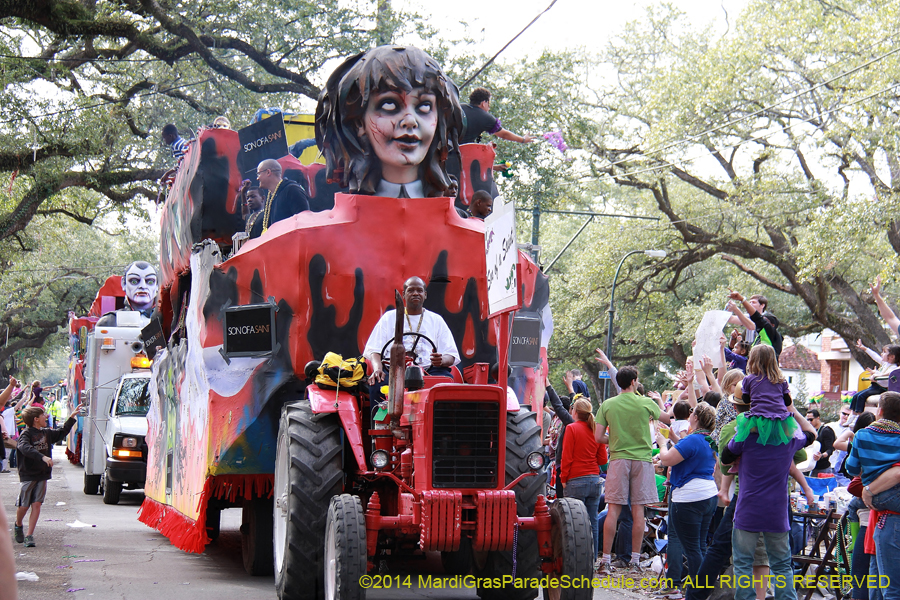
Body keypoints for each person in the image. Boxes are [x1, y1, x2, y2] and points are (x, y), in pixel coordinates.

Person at [687, 394, 814, 600]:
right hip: (777, 503)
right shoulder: (785, 433)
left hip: (745, 500)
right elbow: (801, 454)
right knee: (778, 561)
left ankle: (695, 596)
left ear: (735, 406)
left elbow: (725, 465)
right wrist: (791, 412)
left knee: (728, 554)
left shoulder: (734, 430)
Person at [316, 45, 462, 199]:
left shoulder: (463, 222)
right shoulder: (324, 223)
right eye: (389, 105)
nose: (410, 121)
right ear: (359, 122)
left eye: (424, 106)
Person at [721, 403, 817, 600]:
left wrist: (742, 429)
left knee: (743, 563)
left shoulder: (744, 439)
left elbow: (725, 458)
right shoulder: (789, 441)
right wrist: (793, 410)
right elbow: (811, 433)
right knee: (782, 564)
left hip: (748, 510)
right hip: (777, 512)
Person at [594, 366, 672, 575]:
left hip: (619, 459)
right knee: (639, 512)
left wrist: (616, 439)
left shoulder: (608, 405)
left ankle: (606, 560)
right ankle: (635, 561)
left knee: (613, 510)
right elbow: (667, 418)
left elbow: (598, 437)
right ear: (634, 381)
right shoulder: (645, 403)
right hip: (643, 461)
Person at [656, 402, 719, 588]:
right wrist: (674, 437)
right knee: (699, 545)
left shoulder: (693, 439)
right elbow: (690, 452)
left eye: (693, 413)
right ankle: (701, 587)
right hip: (708, 495)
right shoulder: (709, 439)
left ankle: (693, 588)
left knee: (688, 546)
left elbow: (667, 459)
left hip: (688, 496)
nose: (690, 414)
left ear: (696, 418)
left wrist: (662, 444)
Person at [846, 392, 900, 600]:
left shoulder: (863, 435)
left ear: (880, 411)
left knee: (887, 587)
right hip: (890, 502)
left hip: (878, 501)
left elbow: (852, 468)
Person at [364, 277, 460, 392]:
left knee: (445, 386)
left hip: (429, 370)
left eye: (419, 290)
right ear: (403, 295)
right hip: (394, 370)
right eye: (411, 290)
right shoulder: (389, 317)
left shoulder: (436, 320)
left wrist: (441, 360)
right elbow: (375, 350)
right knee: (377, 385)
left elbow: (451, 355)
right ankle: (380, 410)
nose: (415, 293)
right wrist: (378, 369)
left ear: (425, 295)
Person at [14, 402, 82, 548]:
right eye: (43, 414)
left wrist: (72, 417)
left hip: (42, 474)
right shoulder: (25, 435)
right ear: (35, 419)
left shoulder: (46, 433)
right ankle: (18, 524)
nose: (47, 416)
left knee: (37, 504)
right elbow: (25, 448)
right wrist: (42, 457)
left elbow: (62, 432)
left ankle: (29, 535)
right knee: (24, 505)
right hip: (28, 474)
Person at [559, 397, 608, 563]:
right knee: (592, 521)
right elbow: (602, 460)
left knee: (573, 523)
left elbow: (567, 457)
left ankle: (574, 560)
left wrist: (563, 478)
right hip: (594, 480)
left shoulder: (571, 429)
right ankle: (591, 560)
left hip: (575, 480)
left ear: (575, 411)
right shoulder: (595, 430)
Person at [732, 345, 796, 447]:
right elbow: (788, 402)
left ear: (752, 360)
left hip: (759, 419)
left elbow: (745, 399)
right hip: (780, 421)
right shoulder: (781, 379)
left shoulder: (749, 379)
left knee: (741, 425)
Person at [249, 159, 311, 239]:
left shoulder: (292, 190)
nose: (257, 178)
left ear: (268, 172)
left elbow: (304, 222)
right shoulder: (270, 196)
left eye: (258, 174)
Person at [459, 87, 534, 145]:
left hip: (447, 146)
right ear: (484, 103)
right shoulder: (485, 117)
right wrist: (523, 139)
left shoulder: (458, 107)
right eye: (489, 104)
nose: (489, 107)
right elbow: (504, 134)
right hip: (459, 153)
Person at [726, 291, 783, 359]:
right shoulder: (757, 340)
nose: (751, 304)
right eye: (750, 302)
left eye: (753, 302)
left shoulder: (773, 337)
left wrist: (742, 301)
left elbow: (754, 322)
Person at [850, 341, 900, 414]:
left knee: (861, 396)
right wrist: (865, 349)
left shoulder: (893, 368)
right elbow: (875, 356)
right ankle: (852, 415)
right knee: (856, 395)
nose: (881, 354)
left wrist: (876, 375)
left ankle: (858, 415)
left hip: (881, 389)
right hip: (874, 387)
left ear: (892, 357)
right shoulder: (885, 364)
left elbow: (887, 377)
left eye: (884, 352)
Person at [806, 409, 836, 476]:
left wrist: (821, 455)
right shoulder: (811, 431)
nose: (809, 422)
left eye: (811, 419)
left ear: (818, 418)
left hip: (823, 468)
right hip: (811, 467)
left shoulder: (826, 430)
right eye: (807, 420)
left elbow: (830, 449)